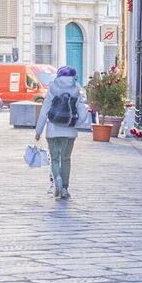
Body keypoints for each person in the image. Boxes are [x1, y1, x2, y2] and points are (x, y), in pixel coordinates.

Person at [34, 66, 89, 199]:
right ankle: (64, 188)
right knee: (66, 159)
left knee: (54, 158)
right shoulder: (76, 89)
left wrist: (38, 130)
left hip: (53, 130)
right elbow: (83, 111)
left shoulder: (52, 88)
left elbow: (45, 110)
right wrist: (76, 123)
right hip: (69, 131)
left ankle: (57, 178)